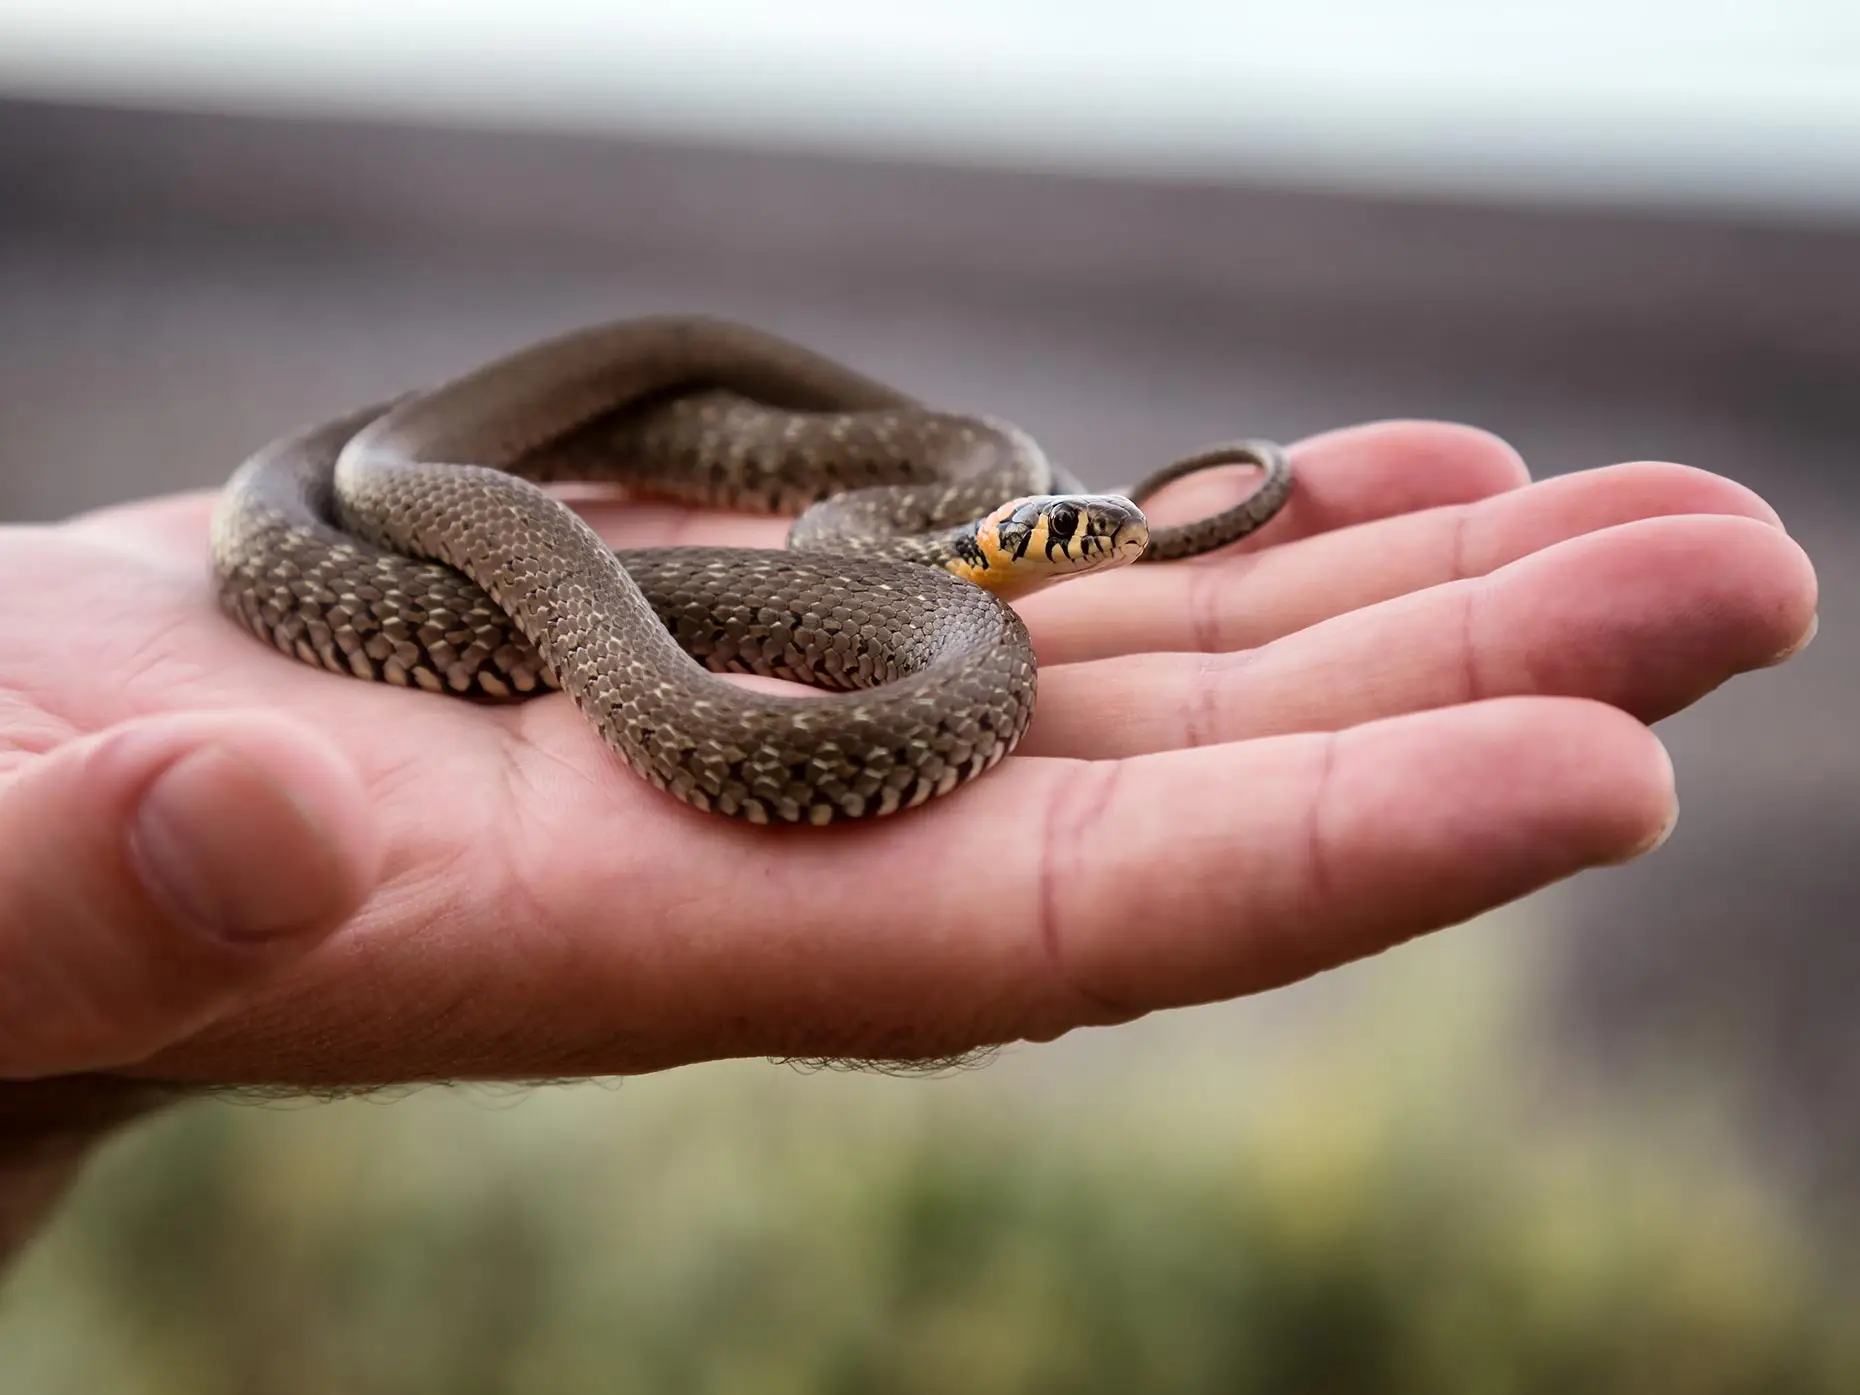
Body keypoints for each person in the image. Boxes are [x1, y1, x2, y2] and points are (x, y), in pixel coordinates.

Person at [0, 420, 1819, 1259]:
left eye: (1094, 528)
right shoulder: (894, 582)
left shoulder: (945, 607)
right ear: (1000, 544)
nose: (1090, 537)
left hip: (816, 562)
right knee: (390, 473)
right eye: (1070, 529)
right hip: (401, 492)